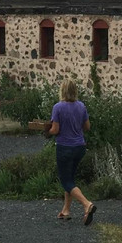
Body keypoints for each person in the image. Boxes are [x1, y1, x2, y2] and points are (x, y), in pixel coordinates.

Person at [46, 78, 97, 224]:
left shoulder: (58, 107)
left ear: (62, 91)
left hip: (64, 147)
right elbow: (87, 127)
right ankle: (66, 210)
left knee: (65, 181)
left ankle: (87, 204)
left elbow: (55, 129)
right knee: (70, 178)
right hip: (79, 147)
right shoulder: (81, 106)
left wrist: (47, 131)